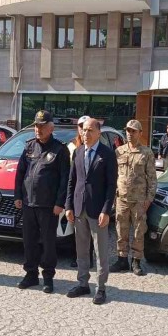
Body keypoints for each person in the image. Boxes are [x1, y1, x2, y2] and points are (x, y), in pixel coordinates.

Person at [14, 110, 70, 293]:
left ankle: (48, 277)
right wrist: (17, 196)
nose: (38, 129)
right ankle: (31, 274)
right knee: (29, 241)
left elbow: (65, 179)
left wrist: (60, 203)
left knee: (48, 243)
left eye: (42, 126)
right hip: (28, 203)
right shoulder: (29, 146)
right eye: (36, 126)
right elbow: (20, 172)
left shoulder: (60, 149)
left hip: (48, 206)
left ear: (51, 128)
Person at [65, 118, 117, 305]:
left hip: (98, 211)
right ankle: (82, 283)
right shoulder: (78, 152)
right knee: (81, 249)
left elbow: (111, 185)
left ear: (98, 133)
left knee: (100, 251)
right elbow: (72, 181)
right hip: (79, 208)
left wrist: (106, 210)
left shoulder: (107, 154)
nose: (85, 134)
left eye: (89, 130)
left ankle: (100, 288)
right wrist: (69, 206)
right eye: (83, 130)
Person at [110, 119, 157, 276]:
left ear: (140, 133)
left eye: (133, 131)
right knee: (121, 231)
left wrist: (149, 199)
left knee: (138, 231)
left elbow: (152, 179)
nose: (129, 134)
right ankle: (122, 259)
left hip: (139, 201)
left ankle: (136, 261)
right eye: (128, 131)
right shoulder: (119, 151)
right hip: (122, 199)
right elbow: (114, 176)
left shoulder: (147, 153)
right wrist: (113, 196)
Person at [66, 115, 94, 269]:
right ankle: (76, 256)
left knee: (90, 228)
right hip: (76, 191)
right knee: (75, 227)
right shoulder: (72, 146)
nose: (83, 129)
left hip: (91, 193)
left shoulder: (97, 144)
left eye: (85, 126)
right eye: (80, 126)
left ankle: (89, 257)